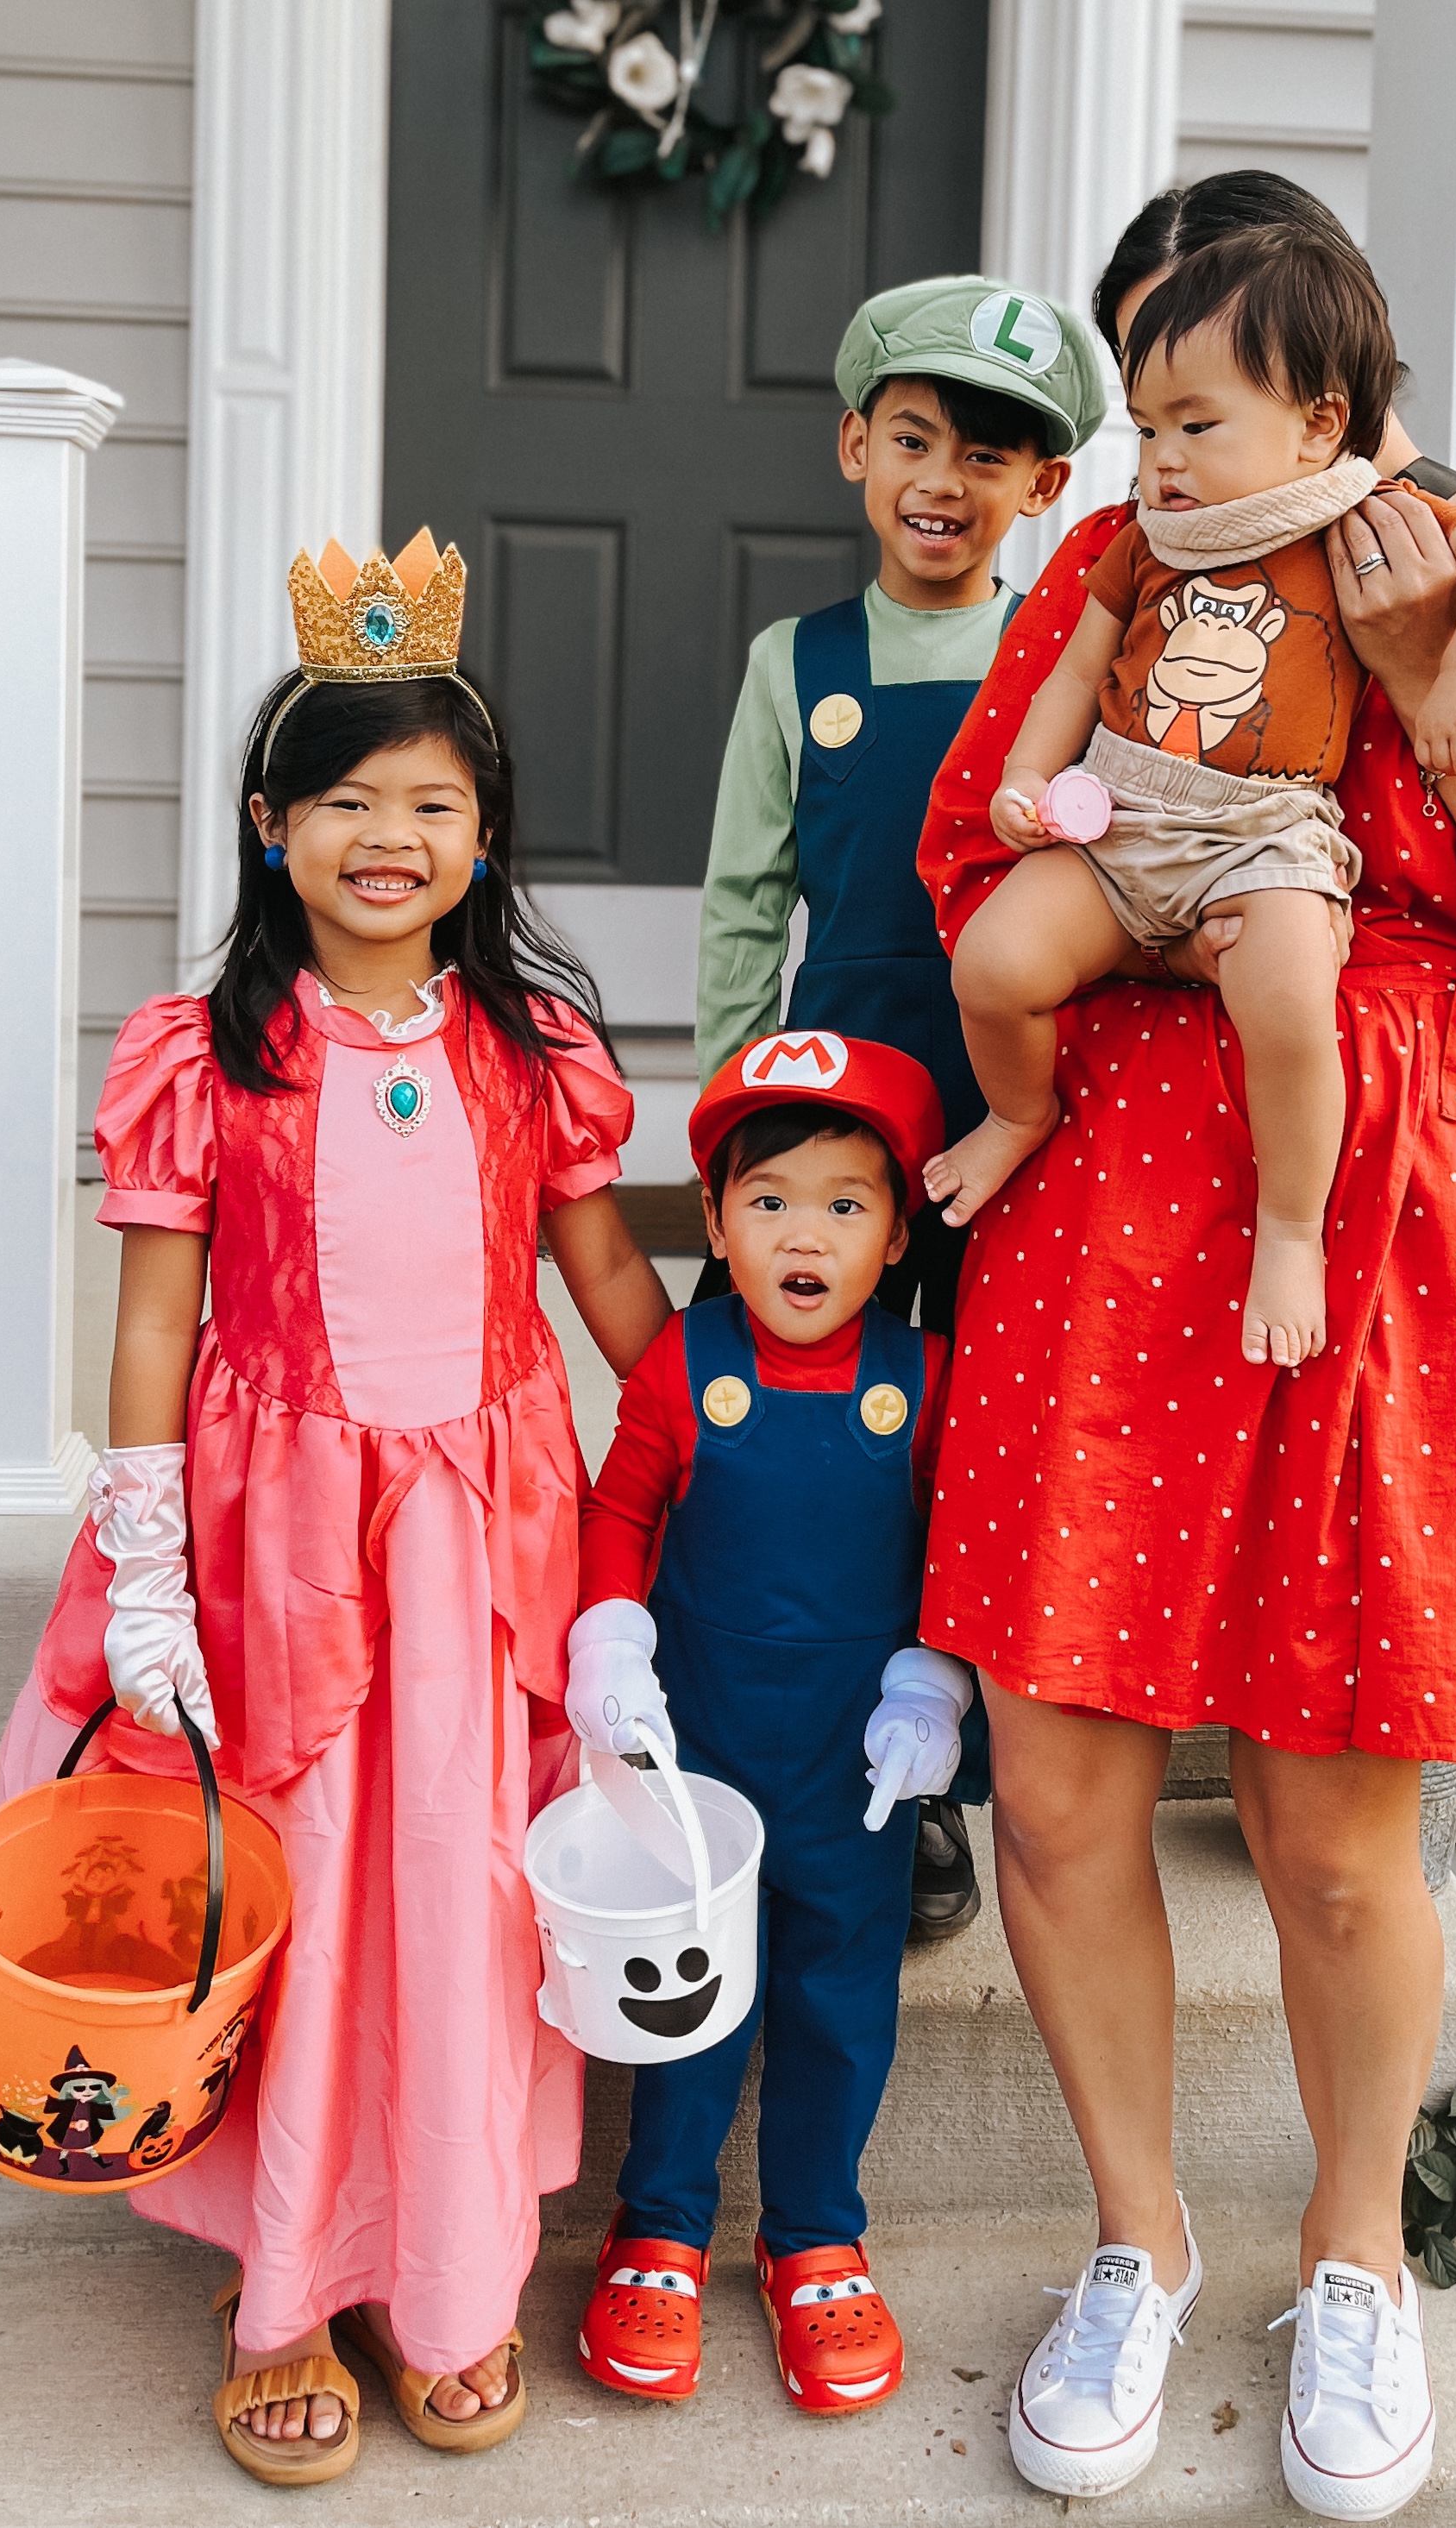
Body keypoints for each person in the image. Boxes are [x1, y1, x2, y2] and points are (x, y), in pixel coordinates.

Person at [911, 171, 1456, 2519]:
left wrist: (1453, 704)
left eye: (1192, 386)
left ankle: (1349, 2255)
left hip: (1401, 1238)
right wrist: (1181, 898)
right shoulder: (1121, 556)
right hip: (1106, 1223)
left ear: (1319, 386)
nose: (1153, 438)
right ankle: (1135, 2240)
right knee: (1057, 1791)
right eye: (1138, 393)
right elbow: (974, 850)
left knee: (1333, 1829)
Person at [0, 530, 673, 2486]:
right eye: (345, 800)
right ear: (272, 827)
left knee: (459, 1888)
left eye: (431, 803)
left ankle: (445, 2271)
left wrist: (709, 1431)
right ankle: (291, 2289)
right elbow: (152, 1322)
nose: (388, 837)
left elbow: (600, 1274)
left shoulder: (527, 1051)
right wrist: (147, 1566)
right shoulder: (209, 1054)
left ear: (484, 836)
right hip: (280, 1547)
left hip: (477, 1547)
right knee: (313, 1885)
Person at [926, 225, 1456, 1376]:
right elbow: (1071, 675)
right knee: (995, 963)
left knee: (1290, 1009)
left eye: (1196, 426)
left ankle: (1291, 1231)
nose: (1163, 458)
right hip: (1123, 815)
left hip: (1263, 832)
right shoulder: (1142, 543)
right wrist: (1025, 779)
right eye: (1146, 429)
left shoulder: (1357, 513)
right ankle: (1017, 1114)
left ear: (1317, 423)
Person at [694, 273, 1107, 1940]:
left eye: (988, 456)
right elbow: (745, 899)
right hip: (846, 1111)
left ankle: (950, 1761)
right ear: (855, 446)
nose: (944, 481)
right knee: (831, 1416)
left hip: (1026, 1108)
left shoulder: (1063, 656)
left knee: (981, 1428)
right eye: (915, 439)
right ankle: (792, 1725)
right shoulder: (794, 663)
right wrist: (735, 1117)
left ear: (1043, 488)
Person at [564, 1034, 973, 2415]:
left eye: (845, 1203)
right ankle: (659, 2221)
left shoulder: (925, 1378)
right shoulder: (682, 1365)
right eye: (770, 1200)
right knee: (685, 1994)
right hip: (701, 1754)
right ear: (718, 1221)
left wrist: (932, 1683)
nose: (806, 1234)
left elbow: (959, 1548)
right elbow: (620, 1509)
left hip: (854, 1767)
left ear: (897, 1231)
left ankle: (813, 2232)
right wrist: (609, 1642)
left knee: (838, 1996)